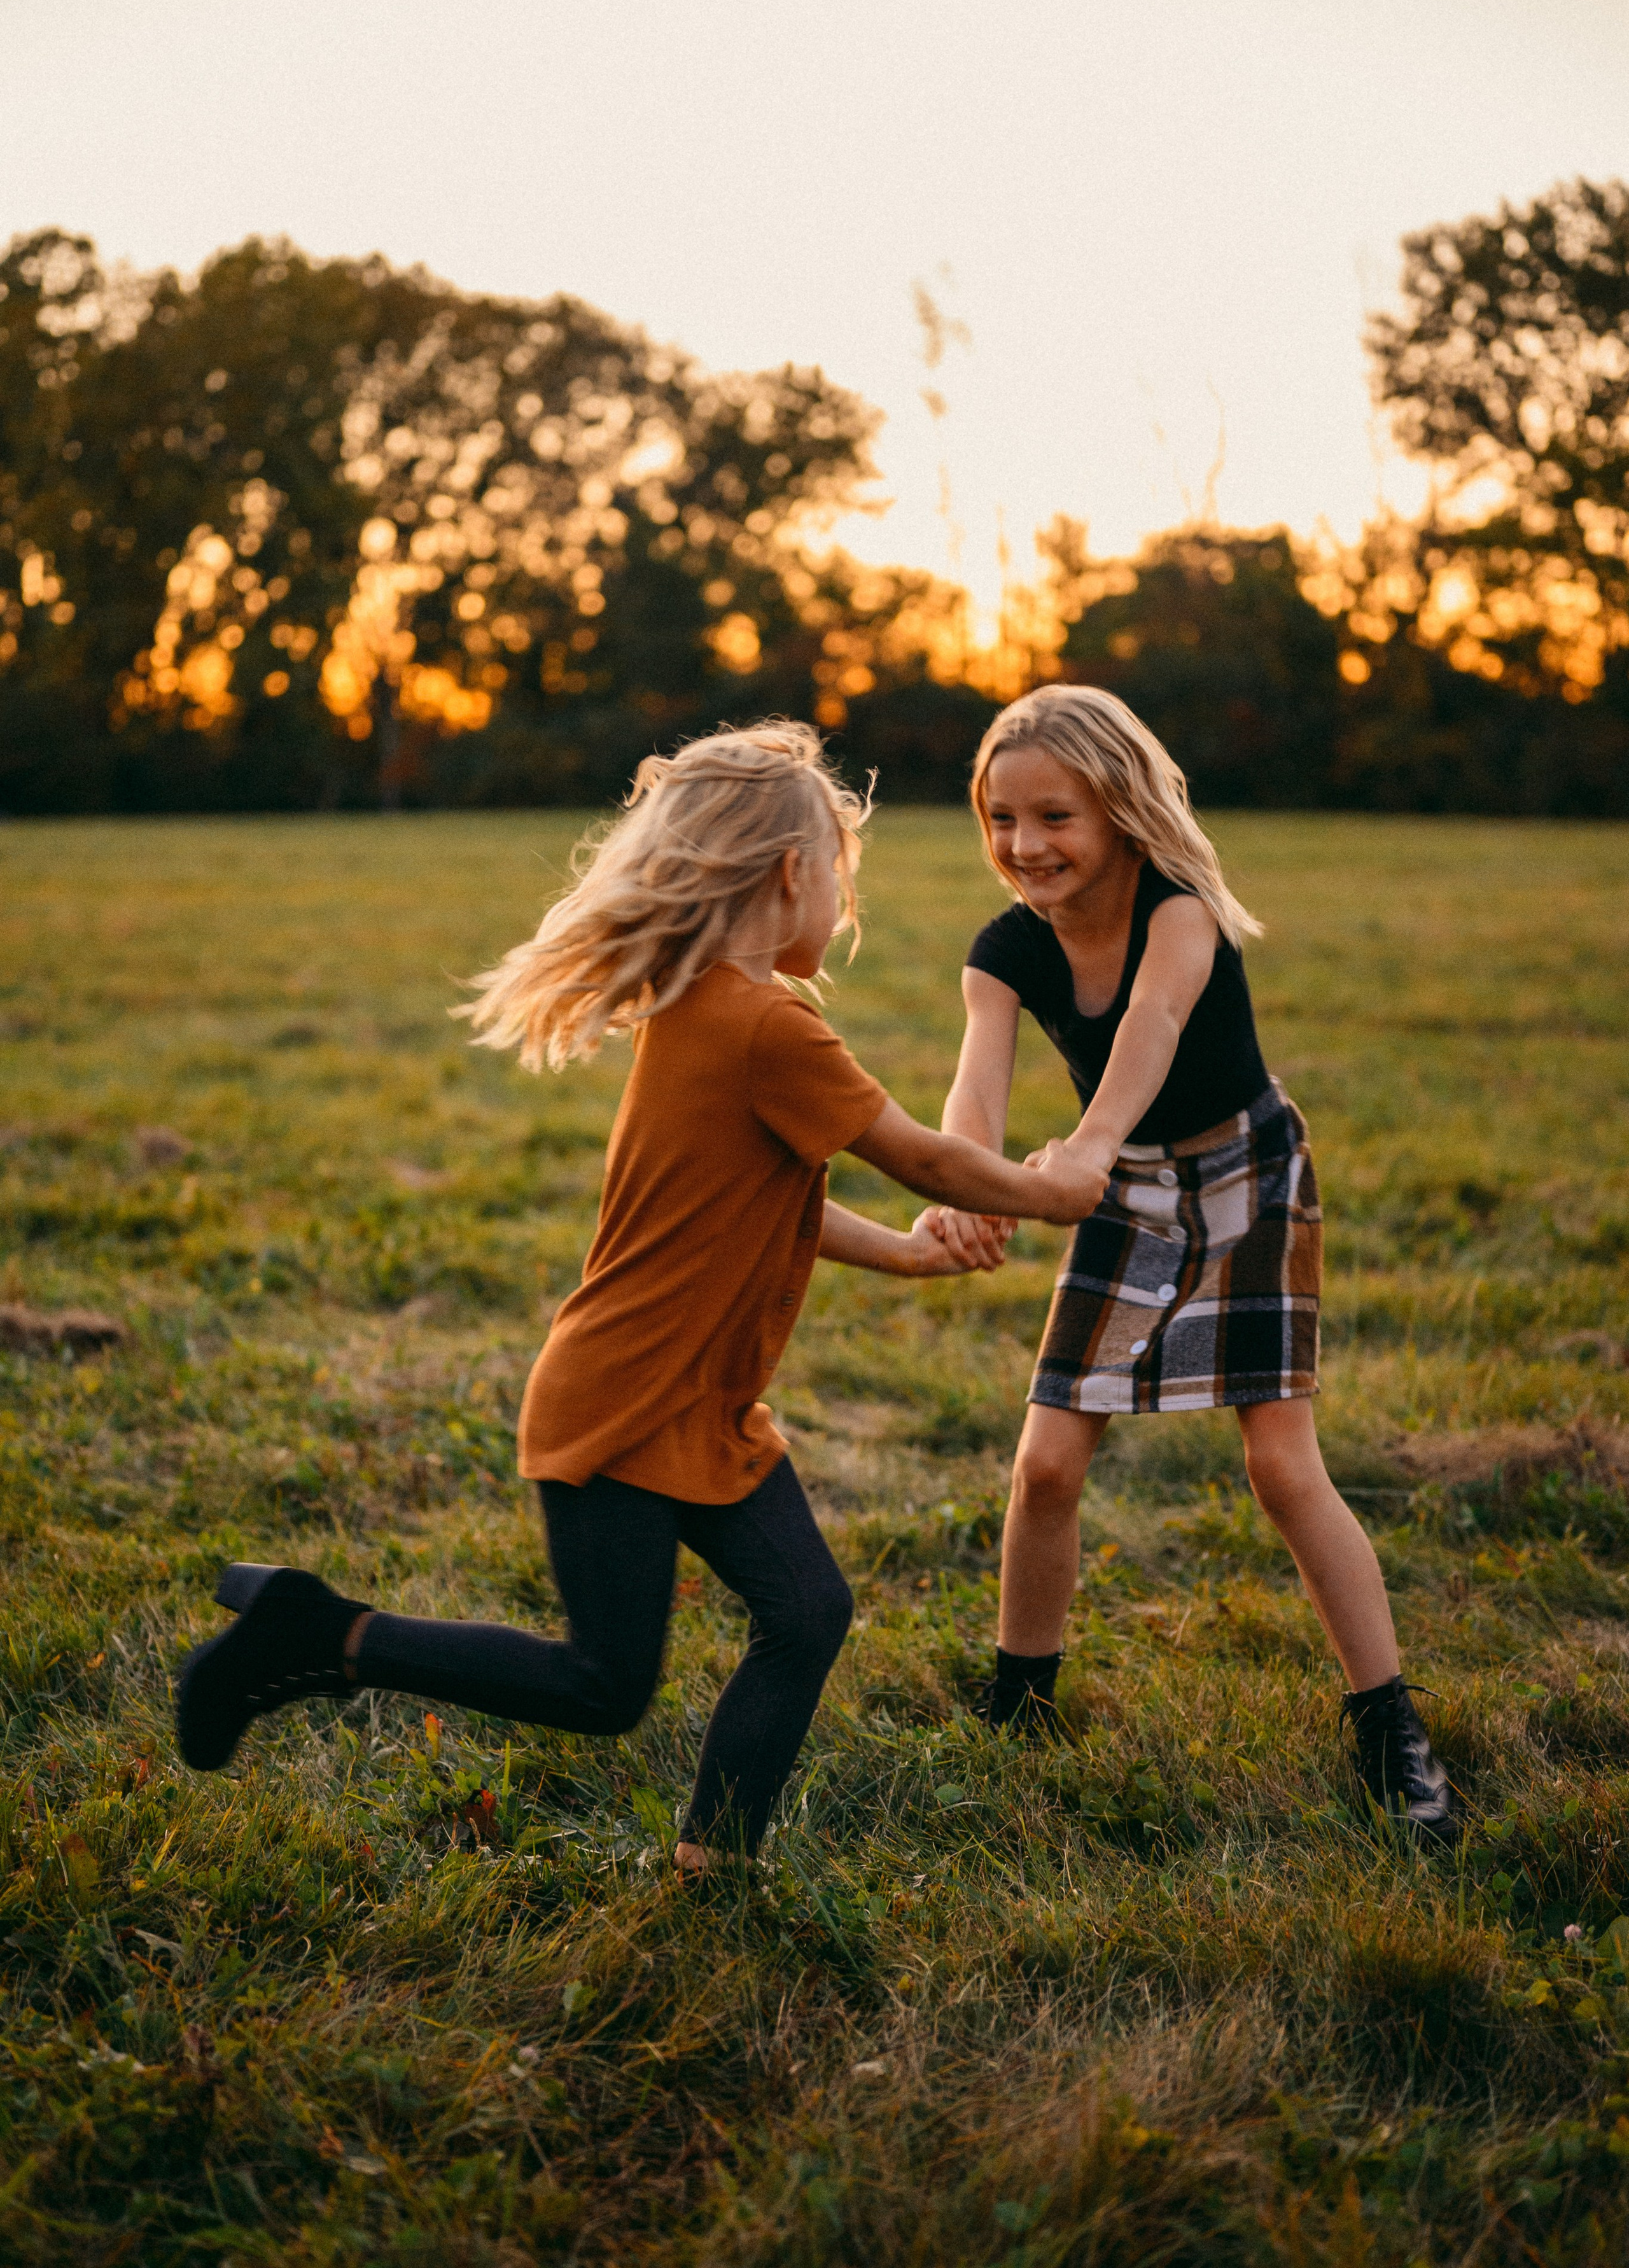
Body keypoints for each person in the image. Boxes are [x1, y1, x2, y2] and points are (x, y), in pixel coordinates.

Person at [176, 722, 1106, 1873]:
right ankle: (319, 1634)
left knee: (807, 1613)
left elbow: (772, 1208)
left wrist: (915, 1259)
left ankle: (715, 1864)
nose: (843, 902)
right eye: (840, 874)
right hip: (624, 1407)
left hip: (697, 1407)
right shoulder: (765, 1026)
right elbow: (922, 1157)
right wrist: (1051, 1191)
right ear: (787, 875)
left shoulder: (719, 1010)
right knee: (605, 1685)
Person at [924, 686, 1458, 1843]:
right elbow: (977, 1082)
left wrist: (1085, 1153)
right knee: (1048, 1466)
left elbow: (1152, 1030)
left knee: (1280, 1467)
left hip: (1243, 1176)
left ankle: (1389, 1728)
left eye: (1055, 816)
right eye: (1002, 820)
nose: (1026, 847)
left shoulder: (1182, 911)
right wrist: (968, 1188)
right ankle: (1020, 1708)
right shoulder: (1004, 950)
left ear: (1118, 809)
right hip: (1118, 1190)